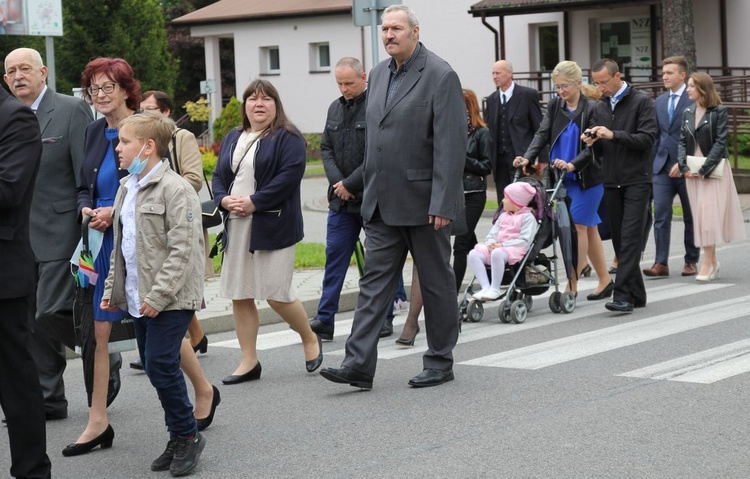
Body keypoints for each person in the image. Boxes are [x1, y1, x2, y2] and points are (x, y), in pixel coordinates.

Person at [320, 4, 466, 389]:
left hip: (425, 204)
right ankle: (358, 365)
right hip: (381, 203)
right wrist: (360, 187)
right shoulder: (380, 74)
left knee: (435, 284)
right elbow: (376, 141)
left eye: (396, 28)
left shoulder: (440, 74)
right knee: (372, 286)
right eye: (385, 29)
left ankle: (439, 359)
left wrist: (444, 202)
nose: (388, 35)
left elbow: (451, 147)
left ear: (415, 32)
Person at [101, 112, 207, 475]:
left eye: (125, 142)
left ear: (148, 147)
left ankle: (187, 435)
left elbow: (183, 251)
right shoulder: (126, 187)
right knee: (152, 364)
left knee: (161, 364)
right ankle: (180, 434)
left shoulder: (175, 189)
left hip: (171, 297)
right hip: (137, 295)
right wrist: (112, 287)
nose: (118, 148)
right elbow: (123, 246)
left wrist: (158, 297)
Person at [3, 47, 99, 422]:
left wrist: (86, 230)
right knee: (29, 322)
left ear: (43, 71)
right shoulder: (7, 117)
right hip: (17, 237)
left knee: (49, 311)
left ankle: (103, 351)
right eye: (10, 71)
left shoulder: (69, 109)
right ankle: (50, 397)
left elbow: (84, 172)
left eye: (24, 68)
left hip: (61, 231)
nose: (17, 76)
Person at [212, 79, 322, 385]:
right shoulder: (234, 136)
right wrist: (223, 199)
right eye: (252, 99)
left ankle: (309, 337)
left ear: (276, 105)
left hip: (273, 223)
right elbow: (219, 175)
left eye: (266, 99)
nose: (259, 104)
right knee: (240, 293)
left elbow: (289, 176)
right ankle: (249, 361)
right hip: (237, 223)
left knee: (276, 293)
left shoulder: (288, 137)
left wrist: (254, 202)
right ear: (244, 105)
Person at [133, 91, 220, 432]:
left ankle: (184, 434)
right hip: (151, 277)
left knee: (162, 355)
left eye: (152, 110)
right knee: (160, 358)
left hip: (175, 229)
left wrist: (165, 193)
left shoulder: (179, 143)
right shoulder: (131, 183)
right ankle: (195, 341)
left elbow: (193, 180)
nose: (147, 112)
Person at [67, 57, 139, 456]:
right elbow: (84, 185)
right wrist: (86, 208)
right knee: (98, 332)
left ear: (127, 89)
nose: (100, 95)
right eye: (93, 89)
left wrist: (117, 209)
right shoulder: (95, 130)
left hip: (136, 241)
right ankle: (98, 421)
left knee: (152, 324)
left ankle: (202, 390)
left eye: (108, 87)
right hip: (100, 244)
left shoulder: (146, 128)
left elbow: (156, 184)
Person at [515, 60, 613, 300]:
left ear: (579, 83)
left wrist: (573, 164)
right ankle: (605, 279)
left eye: (564, 86)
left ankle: (572, 283)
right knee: (590, 230)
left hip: (586, 178)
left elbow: (593, 147)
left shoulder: (593, 108)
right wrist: (527, 158)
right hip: (559, 177)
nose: (560, 91)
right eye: (556, 87)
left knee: (578, 225)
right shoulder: (555, 105)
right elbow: (542, 134)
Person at [0, 81, 52, 479]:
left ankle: (32, 470)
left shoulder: (14, 116)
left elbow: (8, 191)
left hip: (3, 272)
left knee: (14, 381)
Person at [583, 58, 657, 313]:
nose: (600, 87)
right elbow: (603, 150)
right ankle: (637, 293)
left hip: (637, 179)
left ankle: (623, 295)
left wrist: (613, 135)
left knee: (630, 238)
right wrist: (593, 142)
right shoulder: (600, 107)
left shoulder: (642, 101)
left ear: (618, 76)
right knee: (619, 242)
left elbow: (647, 139)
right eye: (596, 83)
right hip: (611, 181)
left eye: (604, 82)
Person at [674, 72, 745, 281]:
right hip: (692, 170)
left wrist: (704, 169)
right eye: (687, 86)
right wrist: (683, 165)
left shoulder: (719, 111)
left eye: (691, 86)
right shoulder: (687, 111)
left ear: (703, 89)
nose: (687, 89)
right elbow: (681, 141)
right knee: (700, 216)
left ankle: (708, 262)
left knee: (708, 219)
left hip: (712, 172)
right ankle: (712, 262)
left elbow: (720, 142)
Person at [643, 56, 700, 278]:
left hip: (687, 168)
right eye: (663, 72)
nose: (664, 76)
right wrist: (652, 163)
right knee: (661, 214)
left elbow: (699, 135)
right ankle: (661, 262)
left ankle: (691, 261)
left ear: (682, 75)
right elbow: (656, 135)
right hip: (661, 168)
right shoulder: (658, 101)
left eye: (669, 72)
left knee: (690, 215)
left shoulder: (694, 99)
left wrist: (683, 161)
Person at [468, 182, 540, 301]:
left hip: (515, 249)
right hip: (498, 247)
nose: (502, 201)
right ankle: (486, 287)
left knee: (497, 253)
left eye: (506, 198)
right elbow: (493, 233)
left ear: (516, 202)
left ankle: (495, 289)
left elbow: (525, 240)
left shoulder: (528, 218)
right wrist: (491, 243)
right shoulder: (503, 216)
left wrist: (502, 245)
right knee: (473, 254)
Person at [452, 88, 493, 293]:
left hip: (474, 194)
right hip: (457, 194)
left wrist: (462, 158)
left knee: (460, 244)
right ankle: (491, 279)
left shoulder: (482, 133)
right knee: (470, 244)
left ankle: (451, 293)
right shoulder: (453, 132)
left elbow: (486, 167)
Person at [484, 59, 542, 197]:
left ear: (509, 73)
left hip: (522, 157)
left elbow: (539, 128)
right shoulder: (492, 100)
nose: (494, 77)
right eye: (493, 73)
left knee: (522, 199)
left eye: (498, 73)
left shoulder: (528, 95)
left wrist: (542, 158)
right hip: (499, 160)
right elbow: (488, 131)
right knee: (503, 199)